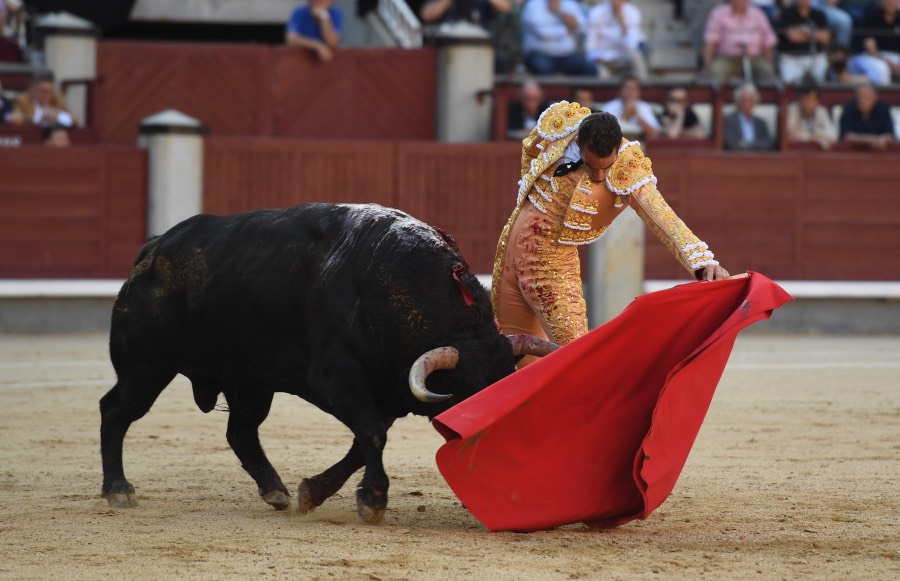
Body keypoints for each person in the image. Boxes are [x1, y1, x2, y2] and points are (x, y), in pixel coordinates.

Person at [492, 101, 730, 352]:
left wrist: (702, 261)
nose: (599, 176)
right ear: (578, 143)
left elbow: (661, 216)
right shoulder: (561, 124)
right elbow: (530, 149)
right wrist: (528, 195)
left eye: (606, 167)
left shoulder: (628, 167)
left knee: (576, 355)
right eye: (592, 166)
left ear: (618, 147)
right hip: (509, 247)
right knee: (507, 356)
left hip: (551, 265)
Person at [702, 0, 778, 84]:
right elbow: (710, 42)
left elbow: (768, 43)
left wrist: (768, 63)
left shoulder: (758, 14)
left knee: (767, 73)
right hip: (727, 59)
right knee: (716, 72)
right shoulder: (719, 13)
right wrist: (707, 66)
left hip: (754, 59)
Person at [521, 0, 597, 76]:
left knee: (589, 70)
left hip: (567, 55)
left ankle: (578, 88)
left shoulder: (570, 3)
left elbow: (582, 27)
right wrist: (567, 29)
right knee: (544, 70)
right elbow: (543, 33)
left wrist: (560, 12)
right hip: (540, 54)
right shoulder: (533, 5)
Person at [584, 0, 650, 81]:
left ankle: (644, 88)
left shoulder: (633, 12)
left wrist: (622, 23)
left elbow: (631, 47)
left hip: (622, 59)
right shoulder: (596, 13)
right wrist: (603, 61)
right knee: (602, 73)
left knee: (636, 56)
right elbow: (590, 48)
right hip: (603, 61)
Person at [776, 0, 832, 84]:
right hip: (792, 57)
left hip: (816, 57)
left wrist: (803, 31)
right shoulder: (787, 13)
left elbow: (825, 38)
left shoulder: (819, 14)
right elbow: (793, 37)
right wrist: (814, 34)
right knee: (789, 85)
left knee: (821, 83)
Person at [848, 0, 900, 85]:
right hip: (875, 56)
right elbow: (870, 46)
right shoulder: (872, 16)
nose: (889, 2)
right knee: (882, 69)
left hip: (896, 56)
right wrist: (887, 62)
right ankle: (882, 97)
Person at [839, 81, 896, 150]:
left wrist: (883, 139)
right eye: (860, 97)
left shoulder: (883, 108)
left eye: (867, 97)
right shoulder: (849, 108)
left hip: (879, 152)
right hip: (854, 152)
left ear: (874, 98)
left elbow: (890, 135)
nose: (863, 101)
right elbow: (846, 136)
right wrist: (871, 140)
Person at [602, 75, 661, 140]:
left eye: (633, 89)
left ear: (638, 92)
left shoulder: (644, 107)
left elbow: (655, 134)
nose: (630, 92)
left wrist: (640, 119)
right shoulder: (609, 107)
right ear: (620, 90)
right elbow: (605, 135)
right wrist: (626, 115)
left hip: (639, 143)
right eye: (627, 88)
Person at [9, 72, 77, 127]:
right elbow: (19, 121)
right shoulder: (21, 101)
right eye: (42, 91)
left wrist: (70, 118)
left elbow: (73, 119)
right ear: (32, 89)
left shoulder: (57, 100)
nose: (46, 95)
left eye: (49, 92)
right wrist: (43, 120)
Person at [723, 83, 776, 151]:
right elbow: (731, 144)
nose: (747, 104)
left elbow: (768, 143)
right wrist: (754, 146)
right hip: (736, 159)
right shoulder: (728, 120)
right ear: (737, 102)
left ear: (755, 102)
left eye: (750, 100)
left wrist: (748, 144)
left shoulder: (761, 123)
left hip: (758, 159)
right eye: (744, 100)